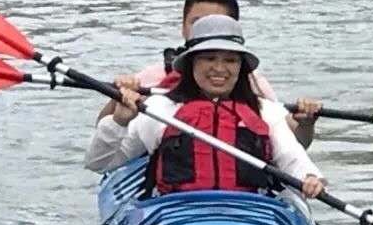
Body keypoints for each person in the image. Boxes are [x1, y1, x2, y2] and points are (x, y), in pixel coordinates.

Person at [85, 15, 326, 200]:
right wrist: (119, 122)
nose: (220, 69)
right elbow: (100, 164)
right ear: (191, 64)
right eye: (209, 58)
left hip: (252, 215)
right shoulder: (159, 109)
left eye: (230, 60)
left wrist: (310, 177)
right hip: (176, 217)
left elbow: (291, 157)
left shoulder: (265, 111)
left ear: (241, 67)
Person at [96, 0, 321, 147]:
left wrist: (306, 124)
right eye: (198, 23)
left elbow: (293, 140)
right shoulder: (152, 77)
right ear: (184, 27)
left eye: (217, 23)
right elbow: (104, 128)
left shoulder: (250, 82)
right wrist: (117, 99)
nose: (209, 30)